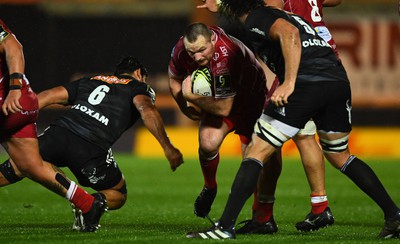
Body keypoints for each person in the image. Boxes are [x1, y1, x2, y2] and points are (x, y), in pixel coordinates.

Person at [187, 0, 400, 239]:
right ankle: (395, 216)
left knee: (256, 150)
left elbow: (290, 34)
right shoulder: (283, 13)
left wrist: (289, 82)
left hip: (306, 83)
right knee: (340, 155)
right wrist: (224, 5)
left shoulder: (259, 17)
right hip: (336, 79)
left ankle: (225, 227)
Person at [169, 21, 331, 234]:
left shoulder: (226, 55)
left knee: (258, 158)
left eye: (202, 50)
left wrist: (191, 96)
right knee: (208, 143)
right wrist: (184, 108)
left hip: (251, 101)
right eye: (192, 53)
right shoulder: (182, 48)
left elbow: (224, 108)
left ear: (213, 40)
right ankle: (210, 187)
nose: (197, 57)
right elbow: (174, 80)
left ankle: (263, 217)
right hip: (222, 99)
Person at [0, 56, 184, 231]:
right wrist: (167, 147)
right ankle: (90, 203)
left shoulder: (91, 79)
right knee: (117, 194)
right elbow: (147, 110)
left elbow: (49, 95)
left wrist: (14, 118)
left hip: (59, 133)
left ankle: (79, 198)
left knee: (20, 165)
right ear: (138, 73)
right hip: (90, 148)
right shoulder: (139, 87)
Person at [236, 0, 342, 234]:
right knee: (310, 138)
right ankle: (319, 206)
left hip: (299, 61)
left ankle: (262, 215)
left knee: (265, 141)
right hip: (324, 54)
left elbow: (270, 11)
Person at [0, 19, 106, 232]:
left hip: (8, 101)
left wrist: (13, 88)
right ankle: (88, 204)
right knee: (33, 166)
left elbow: (13, 46)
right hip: (23, 103)